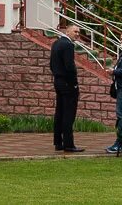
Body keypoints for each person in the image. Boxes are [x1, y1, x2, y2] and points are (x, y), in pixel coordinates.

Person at [50, 22, 84, 152]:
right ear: (68, 31)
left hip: (58, 81)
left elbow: (52, 64)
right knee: (69, 113)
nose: (77, 34)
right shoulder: (68, 45)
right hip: (67, 83)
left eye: (78, 32)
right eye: (75, 32)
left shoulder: (56, 43)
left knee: (59, 112)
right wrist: (74, 82)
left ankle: (58, 142)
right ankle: (68, 144)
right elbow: (70, 66)